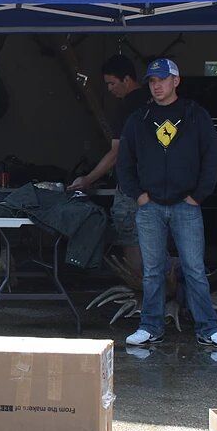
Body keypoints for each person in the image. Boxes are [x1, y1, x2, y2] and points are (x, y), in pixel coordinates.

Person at [116, 58, 217, 349]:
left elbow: (213, 158)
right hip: (150, 205)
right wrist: (139, 195)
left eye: (162, 80)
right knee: (153, 270)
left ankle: (209, 329)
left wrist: (198, 195)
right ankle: (150, 327)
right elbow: (124, 162)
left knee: (194, 268)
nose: (156, 86)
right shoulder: (139, 117)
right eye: (152, 82)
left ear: (176, 81)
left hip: (186, 205)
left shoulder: (195, 115)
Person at [70, 54, 147, 276]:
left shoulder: (128, 108)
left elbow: (117, 152)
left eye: (112, 83)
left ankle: (140, 294)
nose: (110, 89)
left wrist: (87, 179)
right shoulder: (158, 103)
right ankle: (159, 294)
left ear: (127, 79)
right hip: (158, 186)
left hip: (133, 187)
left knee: (132, 239)